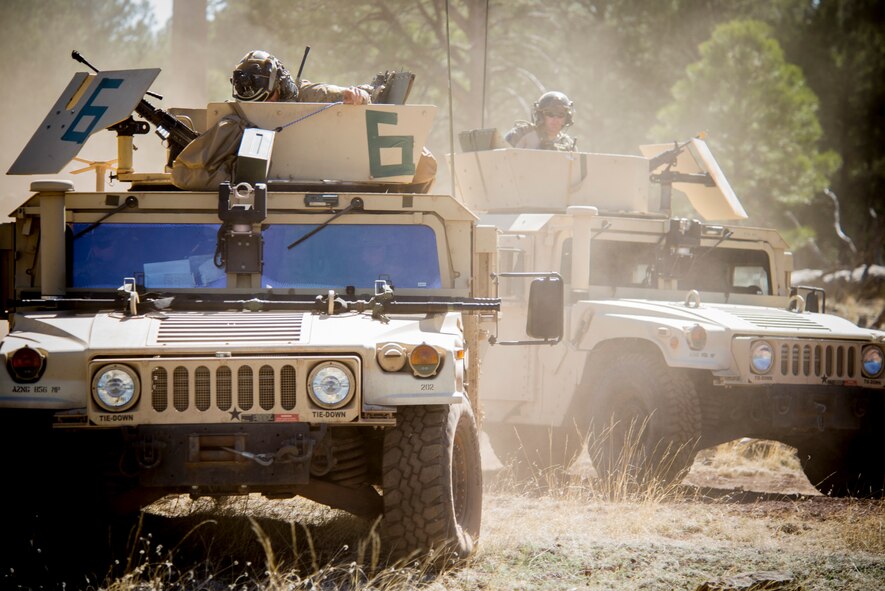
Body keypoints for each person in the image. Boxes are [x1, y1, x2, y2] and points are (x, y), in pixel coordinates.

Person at [230, 49, 374, 105]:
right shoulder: (244, 105)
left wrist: (360, 97)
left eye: (268, 98)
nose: (265, 106)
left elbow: (360, 96)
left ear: (280, 85)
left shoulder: (312, 95)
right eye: (257, 102)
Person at [504, 91, 577, 151]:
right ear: (541, 116)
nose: (555, 119)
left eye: (560, 115)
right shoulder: (520, 134)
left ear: (567, 118)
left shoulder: (568, 145)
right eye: (550, 114)